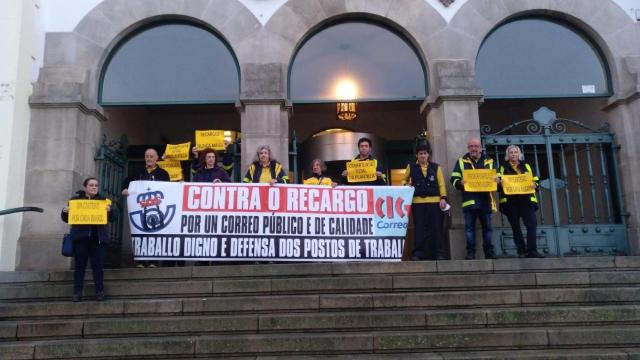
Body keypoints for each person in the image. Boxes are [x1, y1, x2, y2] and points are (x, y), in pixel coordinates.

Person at [61, 177, 114, 302]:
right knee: (79, 267)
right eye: (91, 185)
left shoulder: (104, 201)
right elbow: (66, 219)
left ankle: (100, 291)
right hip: (81, 239)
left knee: (98, 267)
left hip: (98, 239)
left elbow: (114, 217)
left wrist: (110, 211)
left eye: (96, 185)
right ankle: (77, 292)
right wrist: (65, 212)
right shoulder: (75, 201)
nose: (94, 187)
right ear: (85, 187)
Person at [121, 148, 169, 268]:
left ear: (157, 158)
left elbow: (168, 189)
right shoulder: (137, 171)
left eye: (151, 156)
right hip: (140, 208)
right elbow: (126, 182)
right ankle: (141, 261)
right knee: (141, 233)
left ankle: (154, 261)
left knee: (155, 233)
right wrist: (125, 189)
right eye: (147, 156)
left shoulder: (163, 173)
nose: (149, 158)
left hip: (157, 208)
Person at [450, 137, 497, 260]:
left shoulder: (490, 161)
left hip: (486, 200)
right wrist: (460, 183)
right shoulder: (461, 162)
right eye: (471, 146)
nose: (473, 149)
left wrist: (498, 180)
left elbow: (498, 177)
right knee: (469, 230)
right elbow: (453, 179)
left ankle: (489, 253)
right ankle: (470, 253)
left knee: (487, 229)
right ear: (468, 148)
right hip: (469, 201)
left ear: (480, 148)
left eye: (476, 146)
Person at [497, 145, 544, 258]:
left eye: (515, 152)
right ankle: (521, 251)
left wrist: (535, 184)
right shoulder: (502, 167)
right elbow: (498, 185)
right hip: (510, 202)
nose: (513, 154)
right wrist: (499, 182)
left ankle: (532, 250)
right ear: (508, 155)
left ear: (519, 154)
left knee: (532, 225)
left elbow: (536, 180)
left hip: (526, 200)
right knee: (515, 227)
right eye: (511, 152)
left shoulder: (527, 166)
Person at [403, 143, 448, 260]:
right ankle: (418, 253)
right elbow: (403, 180)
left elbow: (442, 184)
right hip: (418, 202)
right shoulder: (411, 166)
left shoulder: (436, 167)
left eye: (425, 153)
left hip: (435, 202)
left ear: (428, 155)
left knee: (437, 228)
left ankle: (438, 253)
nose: (423, 156)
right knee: (419, 228)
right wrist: (405, 185)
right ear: (417, 155)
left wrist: (443, 198)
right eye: (420, 154)